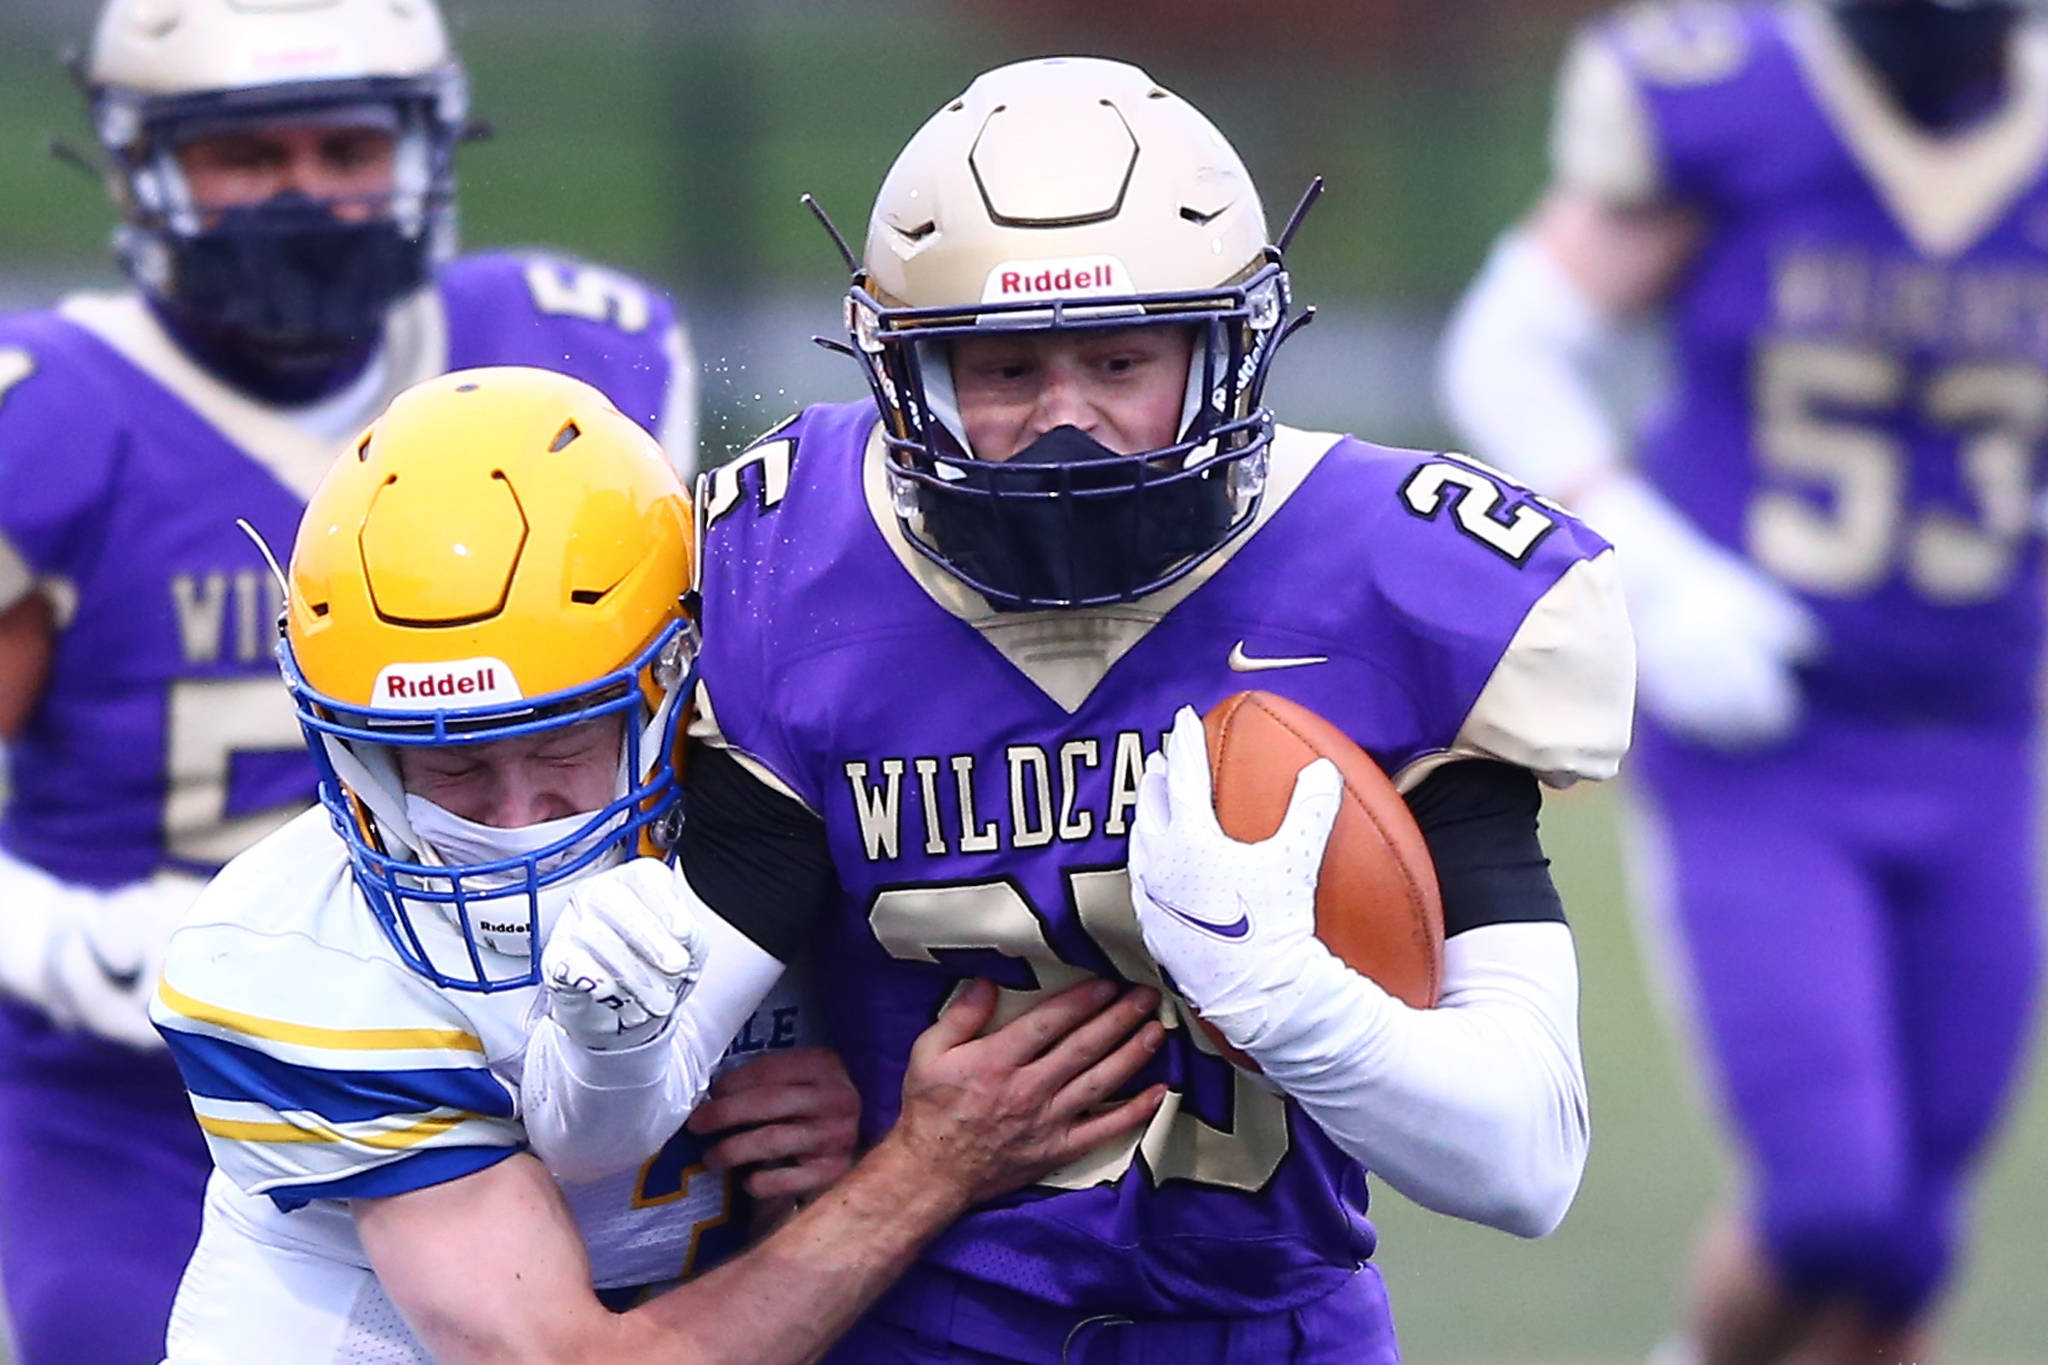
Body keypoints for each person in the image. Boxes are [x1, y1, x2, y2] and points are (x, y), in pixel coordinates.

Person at [527, 56, 1635, 1363]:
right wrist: (606, 1049)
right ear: (909, 378)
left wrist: (1285, 1001)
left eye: (1119, 359)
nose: (1069, 422)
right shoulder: (792, 573)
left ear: (1225, 349)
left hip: (1271, 1330)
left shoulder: (1388, 581)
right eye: (1004, 372)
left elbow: (1527, 1164)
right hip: (917, 1329)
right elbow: (605, 1119)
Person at [147, 364, 1170, 1365]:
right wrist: (922, 1167)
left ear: (674, 686)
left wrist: (807, 1174)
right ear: (358, 753)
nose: (517, 817)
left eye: (561, 747)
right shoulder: (299, 957)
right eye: (450, 765)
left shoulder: (782, 825)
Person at [0, 1, 699, 1359]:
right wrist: (63, 943)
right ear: (144, 168)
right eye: (246, 157)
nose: (304, 196)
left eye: (343, 147)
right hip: (132, 1105)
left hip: (523, 1048)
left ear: (424, 149)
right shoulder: (52, 419)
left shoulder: (570, 358)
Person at [1437, 2, 2048, 1361]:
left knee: (1912, 1240)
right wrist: (1657, 569)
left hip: (1982, 735)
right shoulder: (1739, 96)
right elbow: (1507, 348)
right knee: (1833, 1205)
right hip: (1771, 731)